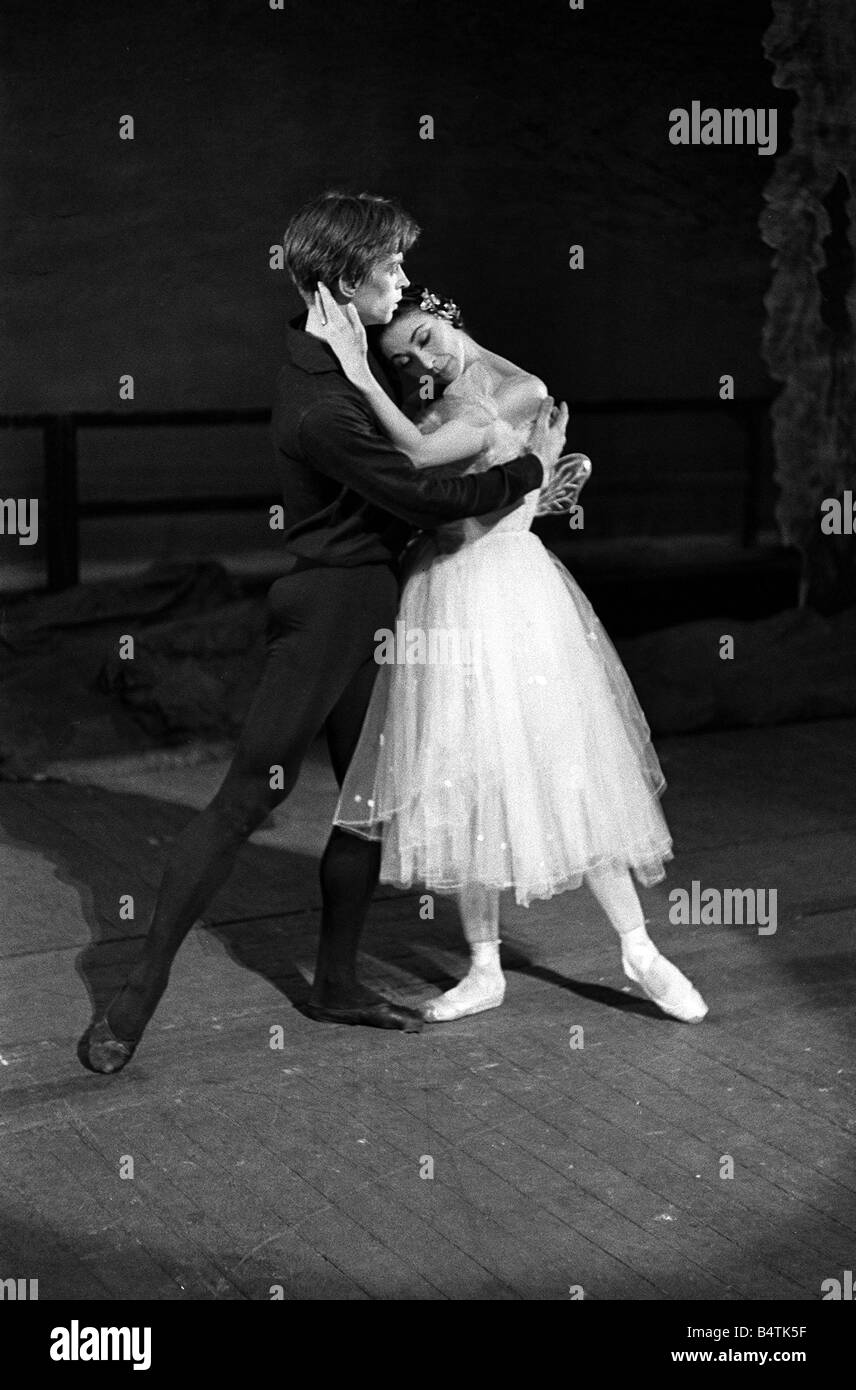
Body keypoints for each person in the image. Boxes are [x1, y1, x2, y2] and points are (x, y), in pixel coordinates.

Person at [77, 191, 571, 1074]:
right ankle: (133, 997)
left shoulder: (348, 365)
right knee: (248, 798)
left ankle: (335, 985)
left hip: (377, 608)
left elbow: (434, 435)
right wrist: (529, 468)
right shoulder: (320, 400)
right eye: (391, 270)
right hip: (333, 613)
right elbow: (421, 493)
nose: (406, 284)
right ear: (346, 281)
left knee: (368, 804)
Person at [314, 282, 708, 1025]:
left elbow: (436, 451)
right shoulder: (427, 413)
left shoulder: (517, 392)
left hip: (509, 594)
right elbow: (428, 479)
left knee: (564, 764)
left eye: (427, 336)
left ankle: (638, 947)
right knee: (462, 774)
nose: (422, 359)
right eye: (402, 359)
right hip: (444, 593)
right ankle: (483, 965)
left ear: (451, 320)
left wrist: (361, 374)